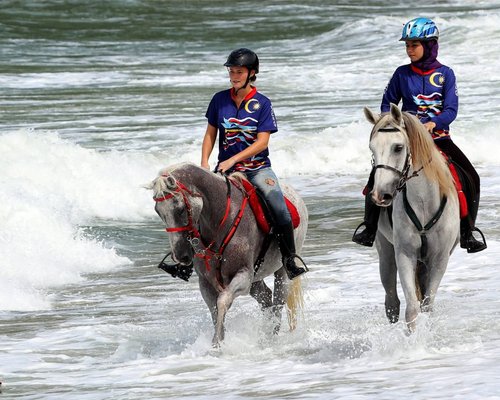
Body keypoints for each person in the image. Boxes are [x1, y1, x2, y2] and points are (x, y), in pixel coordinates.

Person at [352, 17, 487, 253]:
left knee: (471, 176)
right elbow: (387, 104)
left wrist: (434, 123)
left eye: (414, 45)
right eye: (407, 45)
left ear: (430, 45)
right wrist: (392, 123)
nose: (409, 50)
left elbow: (451, 110)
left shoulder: (446, 74)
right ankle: (369, 227)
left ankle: (468, 232)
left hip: (439, 140)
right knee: (376, 177)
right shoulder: (401, 74)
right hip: (408, 141)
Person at [201, 48, 308, 279]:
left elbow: (262, 143)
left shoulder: (262, 104)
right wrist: (204, 164)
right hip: (225, 170)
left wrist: (233, 159)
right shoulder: (219, 100)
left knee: (280, 209)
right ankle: (186, 260)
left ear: (251, 73)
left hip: (257, 169)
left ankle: (290, 259)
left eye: (239, 72)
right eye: (231, 71)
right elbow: (210, 134)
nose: (234, 76)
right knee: (198, 206)